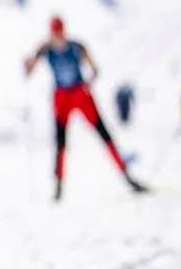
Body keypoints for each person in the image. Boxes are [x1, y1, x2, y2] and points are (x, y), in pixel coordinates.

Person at [24, 16, 148, 201]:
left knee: (104, 135)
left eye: (59, 32)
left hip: (80, 94)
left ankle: (126, 176)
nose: (57, 36)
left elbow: (95, 69)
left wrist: (90, 82)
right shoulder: (45, 49)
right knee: (60, 143)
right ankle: (58, 186)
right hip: (61, 98)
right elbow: (29, 71)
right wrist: (28, 63)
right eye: (54, 33)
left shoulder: (76, 47)